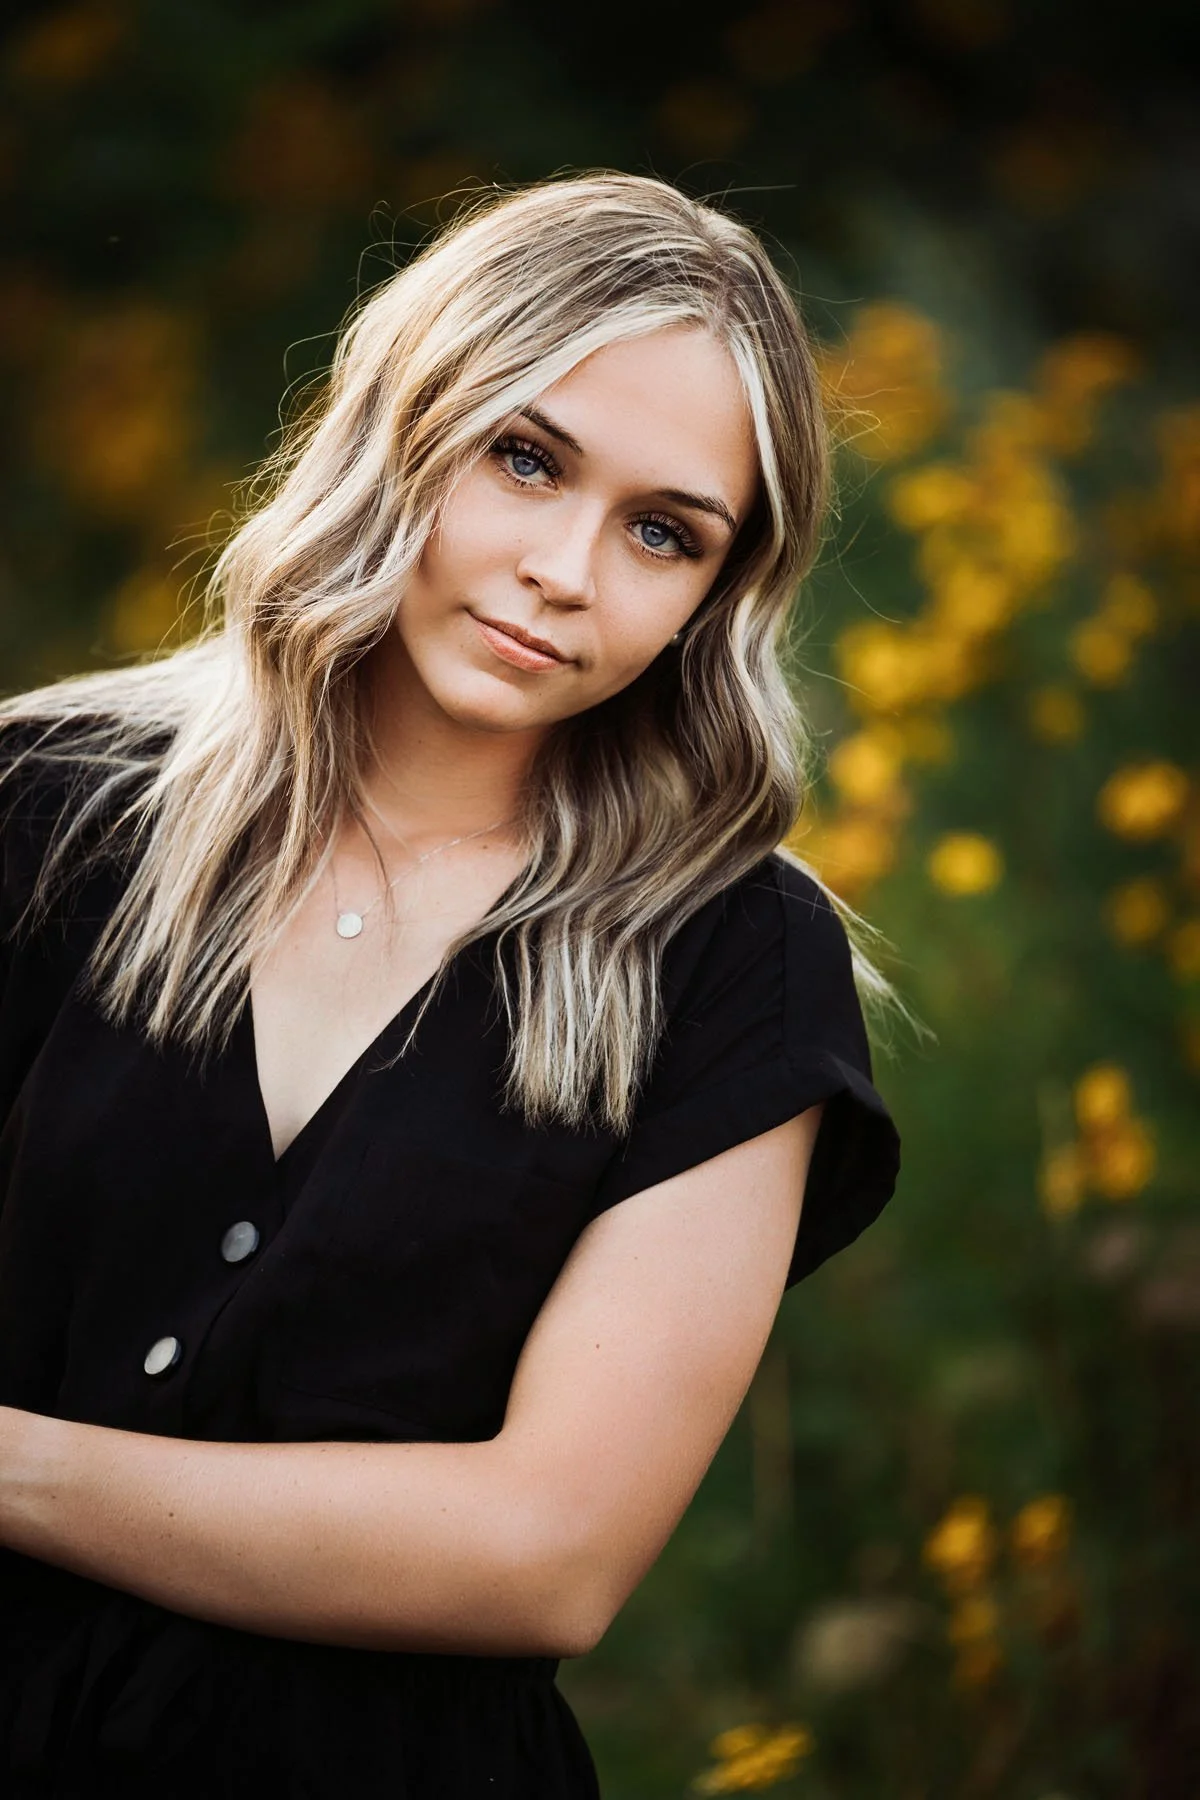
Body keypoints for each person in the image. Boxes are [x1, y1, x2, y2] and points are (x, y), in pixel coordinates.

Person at [0, 172, 907, 1796]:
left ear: (720, 593)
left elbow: (542, 1553)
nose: (567, 568)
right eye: (527, 456)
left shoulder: (734, 966)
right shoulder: (42, 812)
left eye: (661, 532)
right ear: (404, 418)